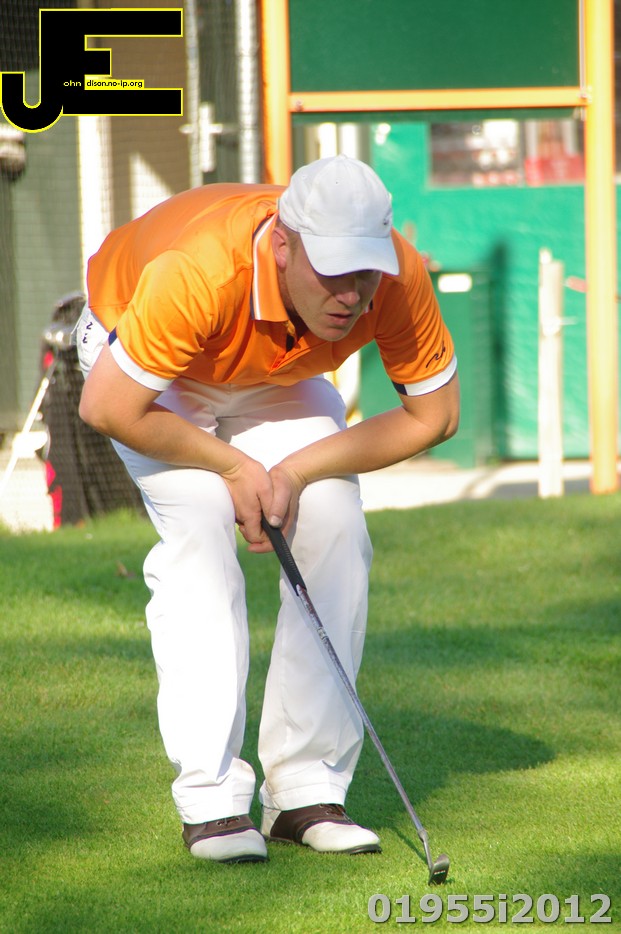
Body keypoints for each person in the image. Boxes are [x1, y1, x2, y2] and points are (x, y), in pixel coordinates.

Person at [77, 154, 459, 865]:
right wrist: (233, 466)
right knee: (199, 522)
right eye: (332, 270)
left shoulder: (394, 277)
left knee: (334, 517)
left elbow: (433, 417)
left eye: (364, 271)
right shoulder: (199, 270)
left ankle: (307, 791)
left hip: (275, 371)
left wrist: (294, 470)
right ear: (282, 244)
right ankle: (212, 800)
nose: (351, 293)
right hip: (144, 364)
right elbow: (107, 407)